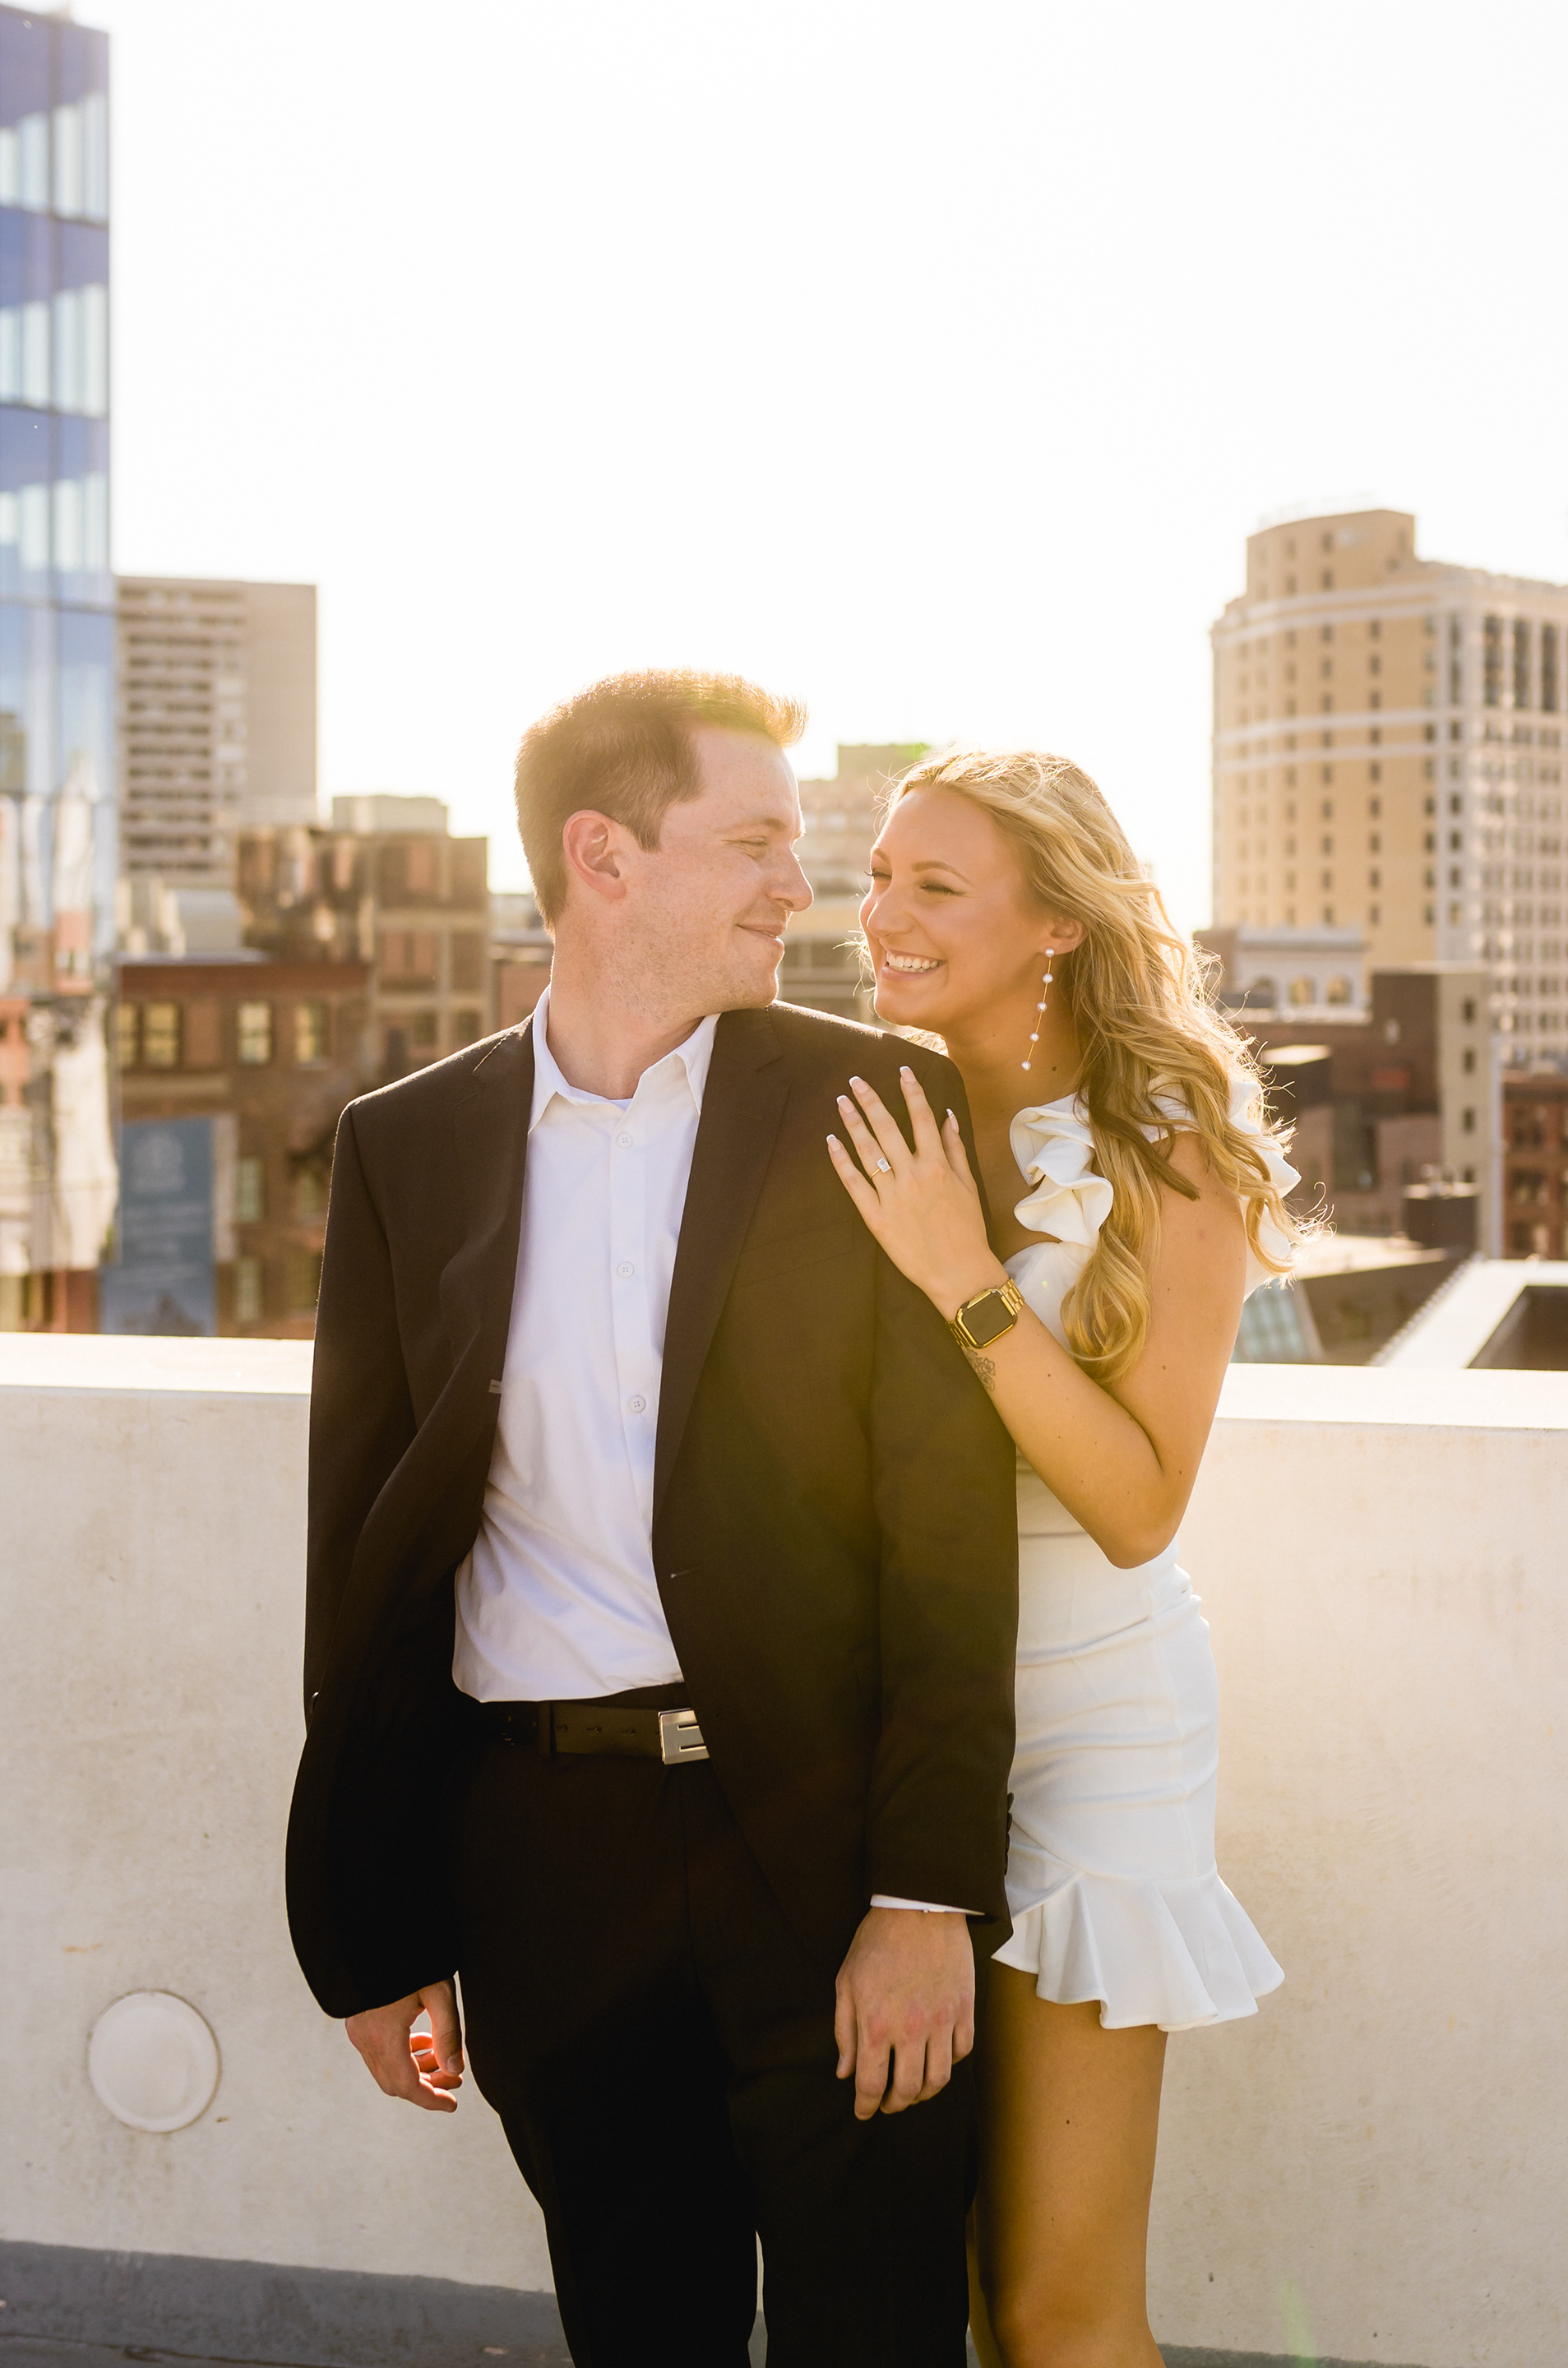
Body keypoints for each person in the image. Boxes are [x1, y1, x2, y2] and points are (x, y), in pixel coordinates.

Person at [284, 672, 1021, 2368]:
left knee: (880, 2336)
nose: (801, 889)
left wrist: (927, 1895)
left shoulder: (876, 1106)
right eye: (756, 843)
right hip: (545, 1866)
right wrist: (374, 1927)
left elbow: (948, 1534)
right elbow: (366, 1559)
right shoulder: (408, 1146)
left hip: (824, 1851)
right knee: (639, 2334)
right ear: (603, 855)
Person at [825, 748, 1297, 2368]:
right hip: (899, 1723)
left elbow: (1140, 1502)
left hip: (1098, 1728)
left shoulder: (1170, 1142)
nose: (881, 916)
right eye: (878, 876)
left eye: (934, 886)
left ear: (1056, 923)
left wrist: (962, 1273)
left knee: (1052, 2304)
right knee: (939, 2269)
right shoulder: (860, 1102)